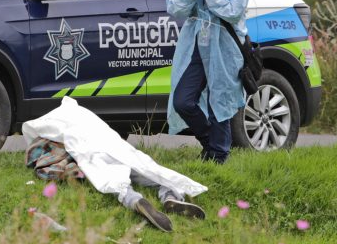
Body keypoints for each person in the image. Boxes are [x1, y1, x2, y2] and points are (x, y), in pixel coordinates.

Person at [23, 97, 208, 233]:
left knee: (109, 177)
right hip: (115, 145)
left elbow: (35, 135)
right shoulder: (86, 116)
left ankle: (134, 200)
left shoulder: (55, 121)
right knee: (149, 170)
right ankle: (169, 195)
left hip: (89, 150)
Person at [166, 0, 249, 164]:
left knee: (219, 100)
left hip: (225, 46)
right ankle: (208, 141)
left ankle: (219, 156)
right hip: (195, 43)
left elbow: (233, 12)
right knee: (183, 100)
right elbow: (174, 9)